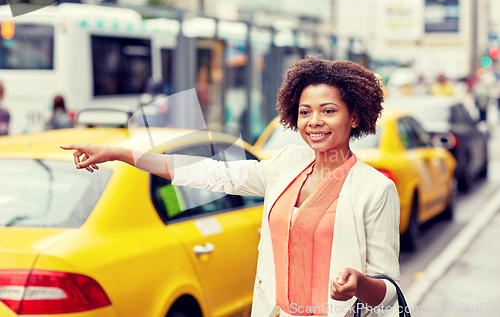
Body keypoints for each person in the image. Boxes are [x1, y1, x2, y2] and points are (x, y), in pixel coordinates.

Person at [60, 56, 400, 317]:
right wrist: (119, 152)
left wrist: (359, 284)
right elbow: (210, 173)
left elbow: (389, 292)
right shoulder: (286, 165)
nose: (314, 121)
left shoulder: (375, 189)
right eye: (304, 111)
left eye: (328, 111)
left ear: (354, 117)